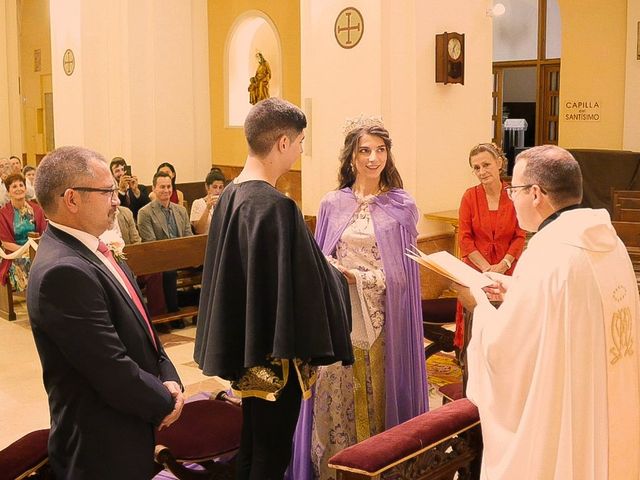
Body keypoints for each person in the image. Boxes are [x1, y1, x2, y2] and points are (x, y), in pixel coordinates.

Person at [457, 145, 640, 479]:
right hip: (602, 398)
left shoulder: (549, 252)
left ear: (536, 194)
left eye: (515, 190)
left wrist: (479, 307)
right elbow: (576, 307)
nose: (512, 198)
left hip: (568, 407)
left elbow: (509, 348)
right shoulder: (608, 242)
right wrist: (516, 289)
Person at [194, 97, 353, 480]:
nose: (299, 150)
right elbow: (300, 285)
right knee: (272, 453)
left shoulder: (231, 194)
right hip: (276, 356)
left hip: (248, 346)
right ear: (283, 142)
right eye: (300, 142)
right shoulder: (277, 206)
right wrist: (335, 275)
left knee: (252, 444)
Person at [27, 146, 184, 479]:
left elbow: (145, 331)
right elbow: (111, 369)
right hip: (101, 447)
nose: (117, 200)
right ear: (72, 199)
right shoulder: (62, 271)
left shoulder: (98, 247)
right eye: (107, 191)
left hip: (128, 427)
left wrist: (170, 377)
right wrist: (165, 402)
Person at [289, 118, 428, 480]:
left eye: (380, 150)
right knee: (336, 397)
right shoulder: (333, 203)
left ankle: (378, 468)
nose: (373, 158)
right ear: (351, 156)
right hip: (339, 316)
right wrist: (334, 269)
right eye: (365, 150)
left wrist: (361, 277)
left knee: (378, 393)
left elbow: (403, 273)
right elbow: (321, 257)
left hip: (383, 316)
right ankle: (338, 469)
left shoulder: (401, 205)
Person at [455, 143, 525, 371]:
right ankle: (473, 365)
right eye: (476, 167)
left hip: (508, 269)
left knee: (507, 326)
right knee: (476, 326)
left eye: (486, 164)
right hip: (476, 271)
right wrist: (487, 269)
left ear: (499, 163)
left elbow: (519, 235)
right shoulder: (469, 197)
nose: (482, 171)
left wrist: (503, 265)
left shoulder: (515, 195)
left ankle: (506, 366)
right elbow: (464, 239)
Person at [138, 171, 193, 317]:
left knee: (209, 263)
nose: (166, 190)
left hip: (182, 255)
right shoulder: (145, 213)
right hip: (161, 259)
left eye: (169, 186)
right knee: (168, 272)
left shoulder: (181, 210)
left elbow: (189, 237)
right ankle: (173, 313)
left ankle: (201, 311)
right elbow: (151, 243)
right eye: (162, 187)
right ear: (154, 189)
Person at [0, 173, 46, 291]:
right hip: (14, 255)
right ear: (8, 192)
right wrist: (26, 253)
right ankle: (34, 297)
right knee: (28, 263)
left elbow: (44, 235)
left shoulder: (37, 209)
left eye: (21, 185)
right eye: (14, 186)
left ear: (26, 189)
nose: (19, 188)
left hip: (37, 251)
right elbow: (6, 244)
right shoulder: (3, 214)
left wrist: (36, 252)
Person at [190, 168, 226, 234]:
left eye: (220, 187)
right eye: (214, 187)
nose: (218, 191)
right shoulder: (197, 203)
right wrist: (208, 208)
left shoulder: (226, 203)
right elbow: (198, 231)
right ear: (207, 187)